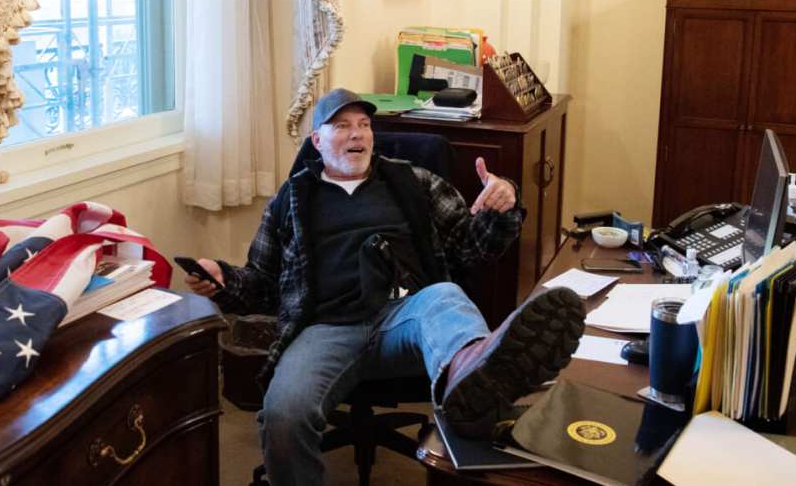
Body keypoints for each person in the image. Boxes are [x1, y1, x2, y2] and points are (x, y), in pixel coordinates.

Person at [185, 88, 585, 485]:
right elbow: (260, 284)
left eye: (363, 125)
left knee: (445, 296)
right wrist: (221, 279)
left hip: (406, 318)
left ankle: (471, 375)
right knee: (283, 416)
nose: (356, 134)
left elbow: (472, 248)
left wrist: (503, 206)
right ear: (317, 141)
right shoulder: (291, 199)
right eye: (341, 126)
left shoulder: (412, 181)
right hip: (326, 328)